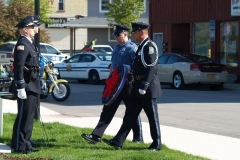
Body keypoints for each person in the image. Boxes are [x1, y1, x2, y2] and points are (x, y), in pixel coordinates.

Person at [102, 22, 162, 151]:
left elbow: (152, 68)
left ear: (142, 32)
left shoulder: (149, 46)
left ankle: (157, 144)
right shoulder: (141, 46)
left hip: (147, 89)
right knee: (129, 115)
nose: (133, 34)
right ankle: (118, 141)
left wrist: (145, 85)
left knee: (152, 117)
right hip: (137, 86)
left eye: (135, 32)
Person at [81, 24, 143, 143]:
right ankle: (96, 136)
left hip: (127, 84)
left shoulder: (132, 48)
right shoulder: (116, 48)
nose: (116, 37)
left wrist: (127, 69)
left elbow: (137, 65)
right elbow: (113, 64)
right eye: (115, 35)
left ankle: (138, 137)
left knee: (132, 110)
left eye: (118, 35)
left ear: (125, 34)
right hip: (115, 84)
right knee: (107, 109)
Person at [10, 16, 42, 154]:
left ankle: (26, 143)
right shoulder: (22, 44)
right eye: (32, 27)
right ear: (25, 30)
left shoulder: (30, 42)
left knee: (29, 117)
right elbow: (19, 66)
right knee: (24, 116)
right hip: (26, 86)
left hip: (32, 85)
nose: (36, 29)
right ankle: (18, 145)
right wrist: (20, 86)